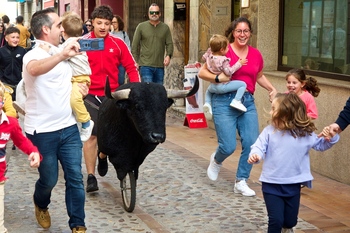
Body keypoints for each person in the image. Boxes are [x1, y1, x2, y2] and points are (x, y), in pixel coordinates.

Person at [22, 7, 87, 232]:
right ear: (45, 29)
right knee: (49, 180)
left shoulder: (62, 51)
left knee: (75, 178)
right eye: (59, 25)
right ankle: (41, 203)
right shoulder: (32, 56)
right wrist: (61, 55)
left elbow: (66, 80)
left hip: (68, 127)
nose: (63, 29)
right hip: (42, 132)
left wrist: (79, 87)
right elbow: (35, 69)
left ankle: (78, 225)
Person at [198, 17, 277, 197]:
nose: (243, 35)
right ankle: (217, 159)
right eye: (239, 31)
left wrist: (272, 89)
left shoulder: (256, 54)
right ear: (233, 32)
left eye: (246, 31)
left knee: (251, 142)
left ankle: (241, 180)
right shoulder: (222, 47)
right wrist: (218, 79)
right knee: (228, 146)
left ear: (250, 33)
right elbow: (203, 71)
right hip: (223, 101)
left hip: (246, 101)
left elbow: (258, 75)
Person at [248, 93, 339, 233]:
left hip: (293, 184)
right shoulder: (269, 131)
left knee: (290, 221)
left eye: (273, 109)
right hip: (271, 183)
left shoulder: (304, 133)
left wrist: (331, 137)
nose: (270, 112)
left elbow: (320, 145)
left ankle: (287, 228)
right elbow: (259, 146)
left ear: (286, 113)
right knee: (275, 220)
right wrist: (256, 155)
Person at [81, 5, 140, 193]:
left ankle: (103, 154)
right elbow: (70, 66)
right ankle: (91, 176)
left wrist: (135, 88)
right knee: (92, 134)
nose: (103, 27)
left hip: (112, 96)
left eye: (107, 23)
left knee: (113, 134)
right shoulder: (82, 43)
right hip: (89, 95)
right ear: (92, 23)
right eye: (99, 23)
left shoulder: (118, 44)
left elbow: (131, 67)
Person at [39, 12, 94, 142]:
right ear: (81, 30)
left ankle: (86, 122)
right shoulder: (80, 41)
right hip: (79, 78)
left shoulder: (70, 43)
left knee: (75, 100)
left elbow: (60, 53)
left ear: (63, 33)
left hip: (79, 79)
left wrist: (47, 49)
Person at [0, 81, 41, 233]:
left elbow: (21, 140)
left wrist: (33, 152)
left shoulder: (9, 123)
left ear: (3, 101)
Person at [202, 34, 248, 120]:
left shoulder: (210, 55)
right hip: (222, 86)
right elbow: (229, 72)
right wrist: (239, 64)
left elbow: (203, 58)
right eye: (227, 48)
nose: (228, 49)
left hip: (212, 86)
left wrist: (209, 51)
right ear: (222, 50)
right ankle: (236, 100)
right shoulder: (223, 60)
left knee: (208, 92)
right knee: (242, 84)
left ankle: (207, 103)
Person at [131, 3, 173, 84]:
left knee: (158, 92)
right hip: (145, 66)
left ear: (160, 14)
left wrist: (168, 55)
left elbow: (169, 44)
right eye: (151, 12)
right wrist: (135, 61)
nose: (154, 14)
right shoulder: (141, 26)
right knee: (148, 90)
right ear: (148, 14)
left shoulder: (165, 28)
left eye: (156, 12)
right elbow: (135, 45)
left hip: (160, 66)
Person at [0, 27, 27, 101]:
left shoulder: (22, 51)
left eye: (17, 37)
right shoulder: (1, 51)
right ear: (6, 38)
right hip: (5, 86)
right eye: (13, 37)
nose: (15, 40)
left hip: (19, 86)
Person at [111, 15, 131, 86]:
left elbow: (128, 47)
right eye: (112, 22)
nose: (113, 24)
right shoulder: (109, 34)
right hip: (112, 60)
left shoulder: (123, 34)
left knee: (120, 80)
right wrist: (111, 31)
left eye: (115, 22)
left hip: (121, 61)